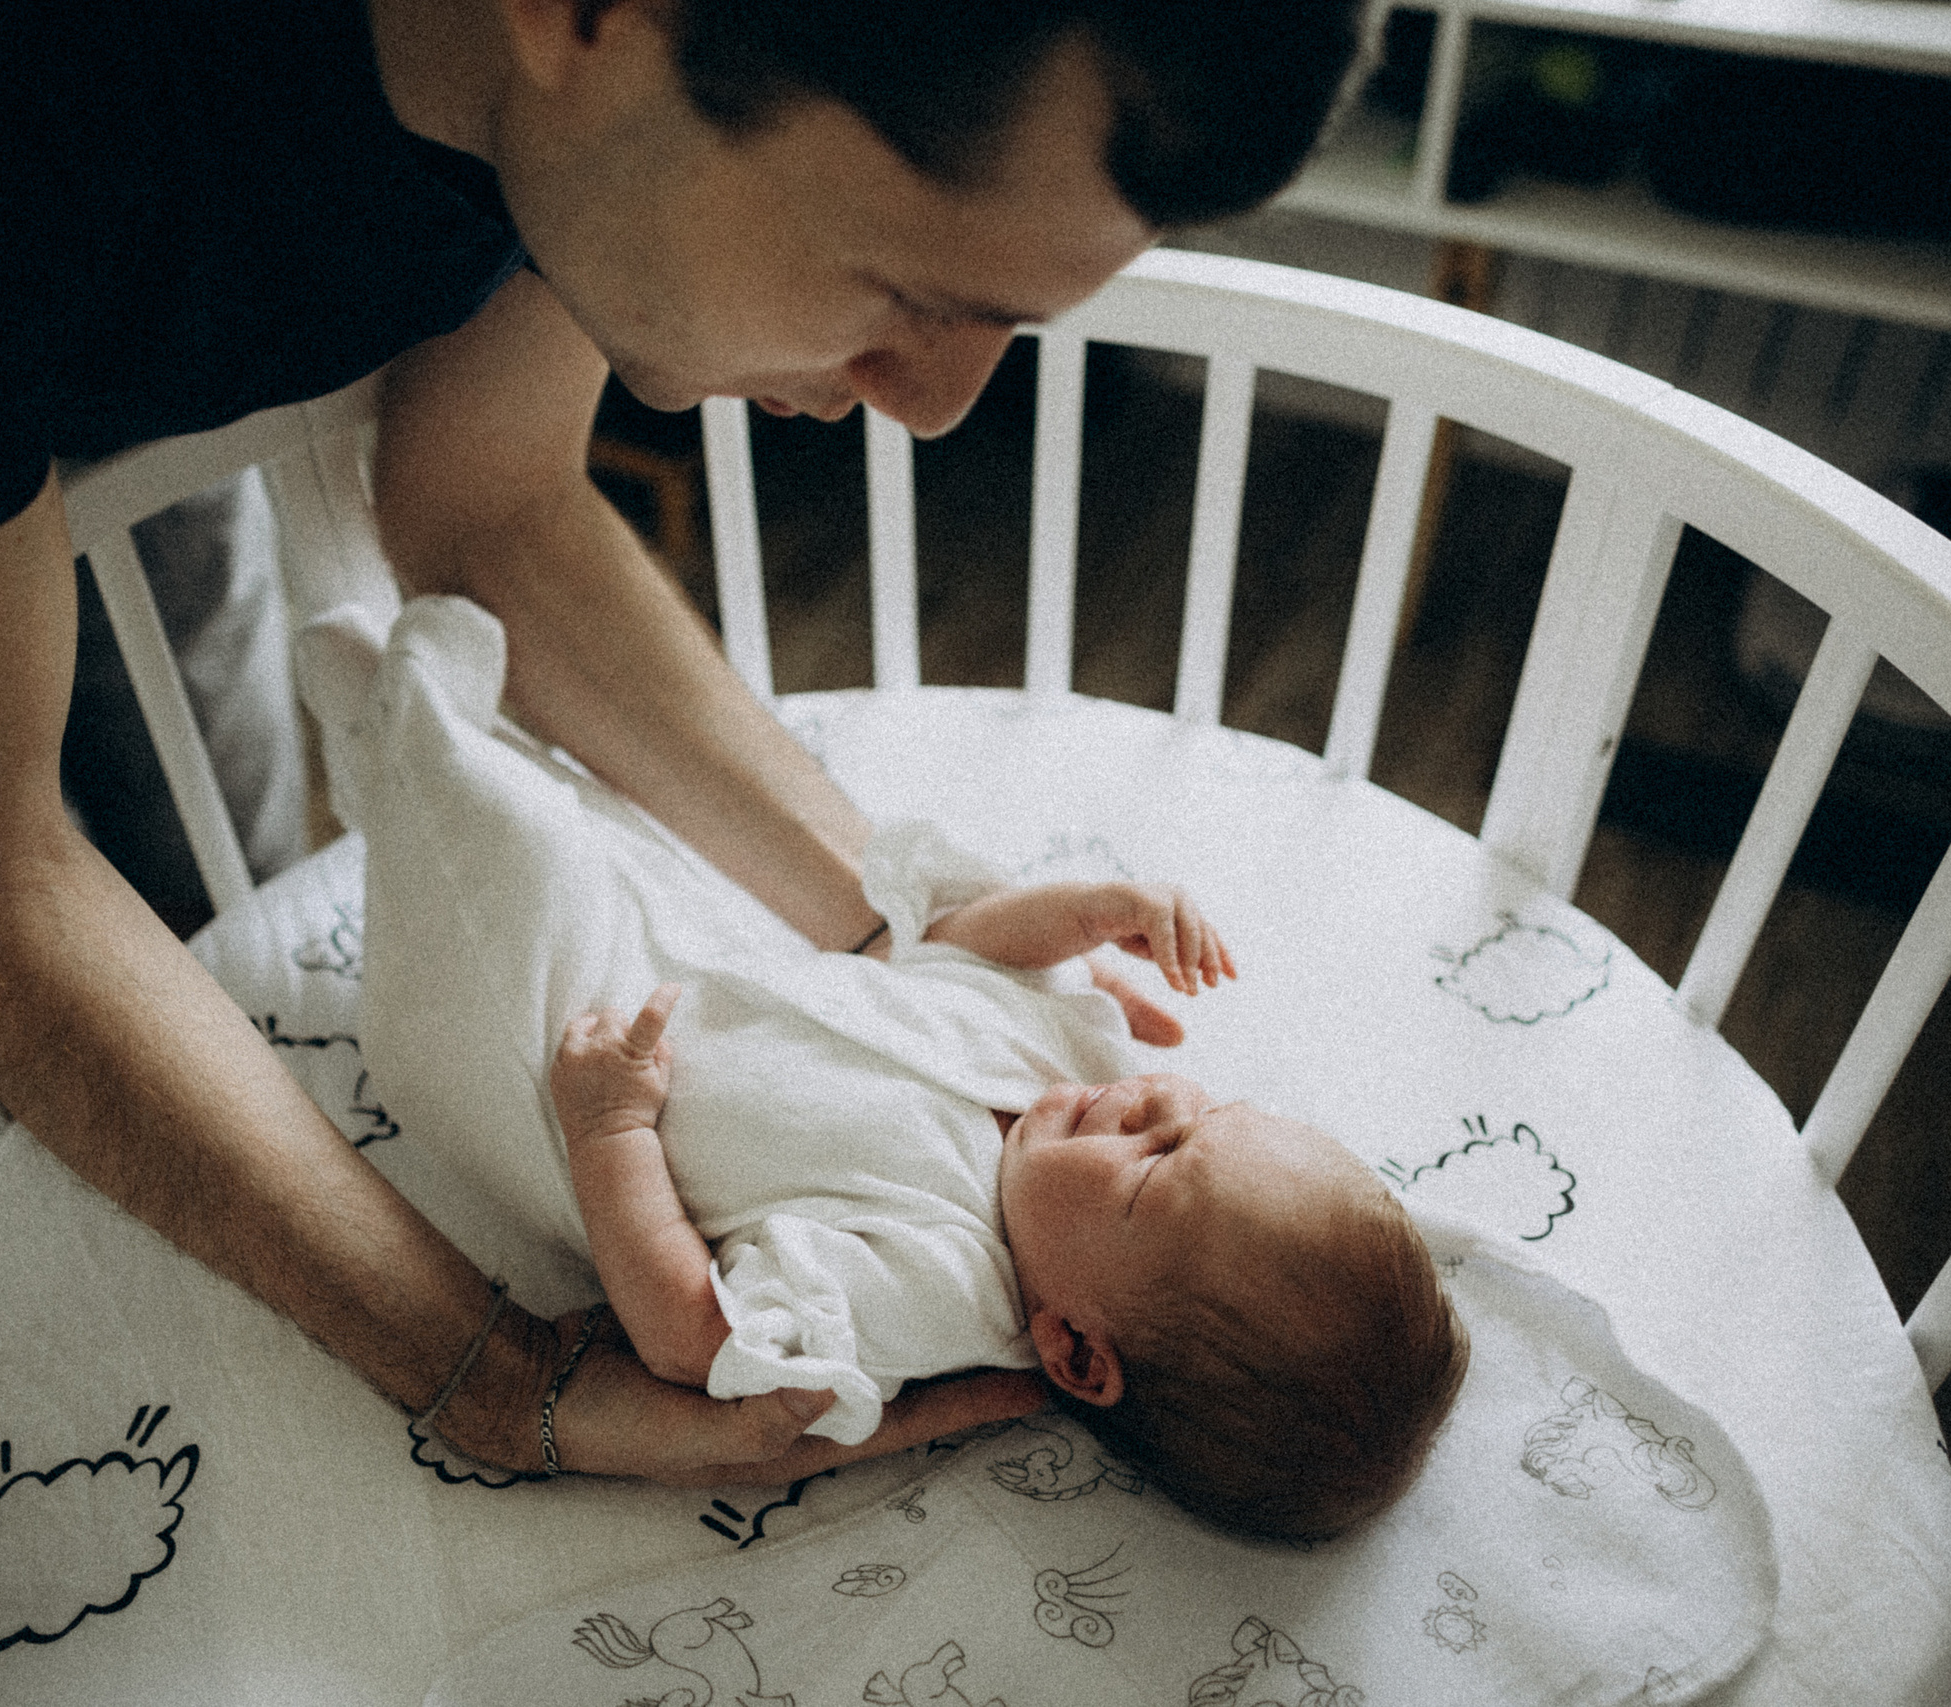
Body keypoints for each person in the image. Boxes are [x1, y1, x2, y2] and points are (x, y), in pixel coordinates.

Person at [0, 0, 1369, 1480]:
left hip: (94, 206)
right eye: (903, 291)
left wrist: (880, 936)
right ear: (587, 10)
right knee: (81, 1046)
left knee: (221, 876)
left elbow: (490, 507)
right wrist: (491, 1377)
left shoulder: (610, 102)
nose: (940, 414)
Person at [322, 591, 1467, 1541]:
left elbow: (697, 1337)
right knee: (601, 831)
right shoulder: (1067, 1079)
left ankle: (401, 733)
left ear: (1071, 1346)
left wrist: (607, 1132)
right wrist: (1092, 912)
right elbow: (950, 953)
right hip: (689, 967)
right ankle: (394, 739)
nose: (1154, 1097)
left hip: (541, 1072)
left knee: (518, 860)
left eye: (1154, 1162)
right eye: (1204, 1107)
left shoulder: (933, 1292)